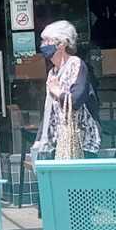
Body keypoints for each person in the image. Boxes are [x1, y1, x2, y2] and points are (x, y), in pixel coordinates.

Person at [32, 21, 101, 160]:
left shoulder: (76, 65)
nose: (43, 45)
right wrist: (39, 141)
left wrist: (57, 91)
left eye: (47, 41)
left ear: (62, 44)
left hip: (81, 143)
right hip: (60, 145)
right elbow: (50, 111)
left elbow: (75, 101)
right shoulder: (53, 73)